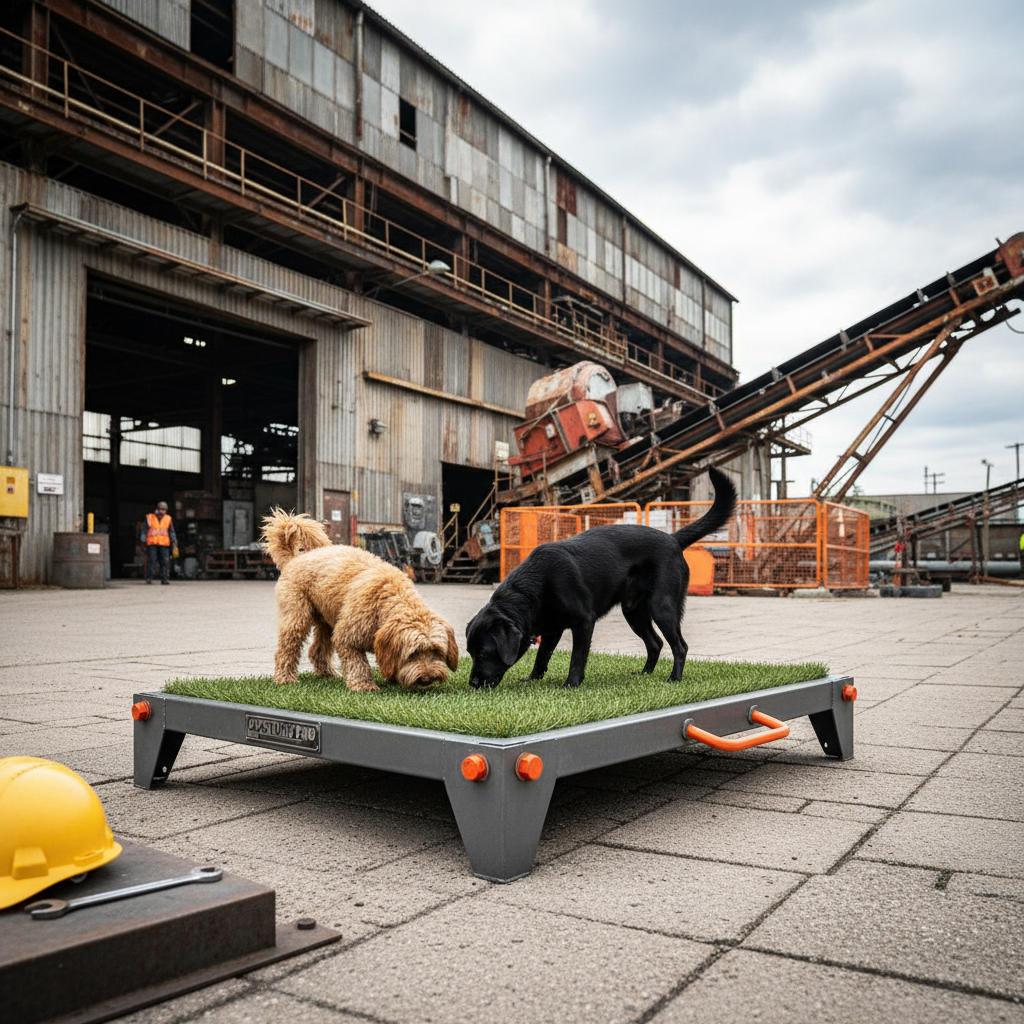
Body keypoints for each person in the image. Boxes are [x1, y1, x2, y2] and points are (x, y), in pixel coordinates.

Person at [143, 501, 177, 585]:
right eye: (160, 509)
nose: (161, 511)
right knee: (152, 560)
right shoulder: (150, 517)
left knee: (165, 562)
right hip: (152, 543)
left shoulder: (168, 518)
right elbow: (144, 529)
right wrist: (143, 540)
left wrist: (174, 540)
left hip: (164, 544)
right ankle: (149, 578)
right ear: (157, 509)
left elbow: (171, 531)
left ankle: (164, 579)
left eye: (163, 510)